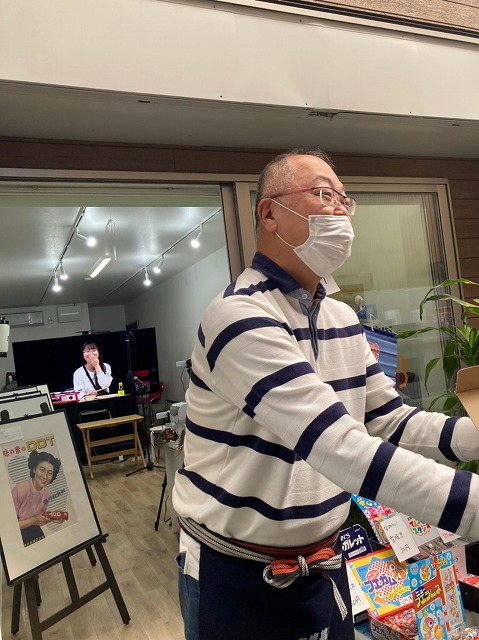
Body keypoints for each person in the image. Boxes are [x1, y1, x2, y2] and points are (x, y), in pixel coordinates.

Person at [172, 148, 479, 640]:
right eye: (322, 194)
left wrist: (474, 433)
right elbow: (337, 446)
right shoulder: (239, 315)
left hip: (323, 562)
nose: (340, 210)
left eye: (344, 199)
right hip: (237, 572)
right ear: (269, 213)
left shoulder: (341, 317)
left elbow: (391, 421)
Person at [11, 450, 62, 546]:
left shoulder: (46, 492)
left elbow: (39, 516)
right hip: (16, 534)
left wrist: (52, 517)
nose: (45, 476)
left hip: (33, 528)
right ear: (34, 469)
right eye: (42, 470)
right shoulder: (19, 490)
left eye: (50, 473)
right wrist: (33, 521)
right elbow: (9, 526)